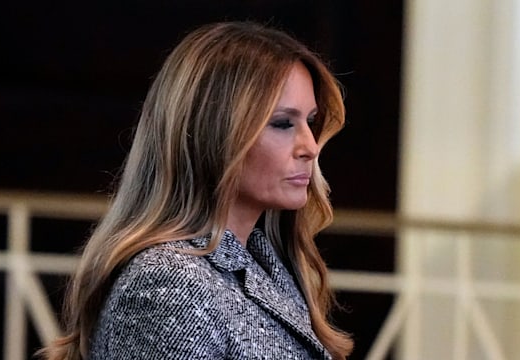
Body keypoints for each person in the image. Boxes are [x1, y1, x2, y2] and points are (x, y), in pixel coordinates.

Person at [41, 21, 353, 360]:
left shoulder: (265, 266)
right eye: (282, 123)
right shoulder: (168, 283)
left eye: (310, 121)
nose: (310, 146)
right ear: (214, 132)